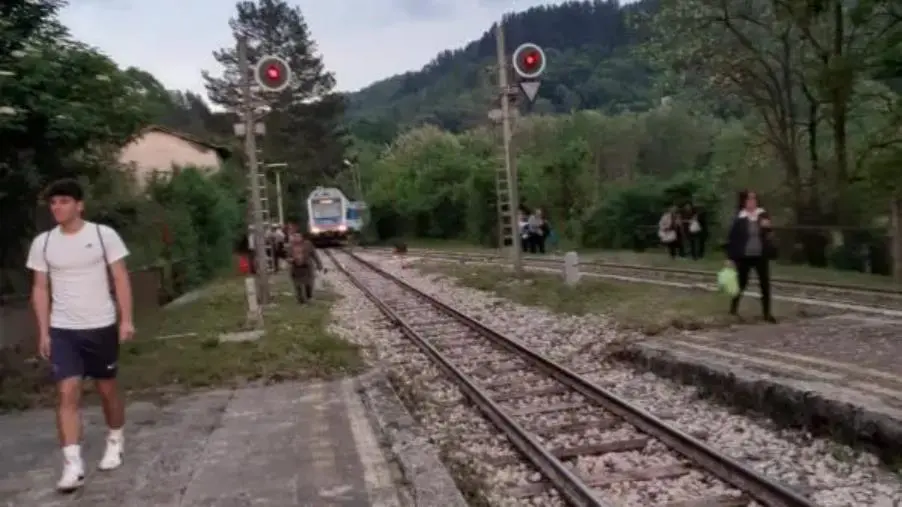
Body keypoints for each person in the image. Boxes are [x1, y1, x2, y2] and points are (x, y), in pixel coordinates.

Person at [26, 178, 134, 492]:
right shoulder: (43, 243)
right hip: (64, 329)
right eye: (53, 202)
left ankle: (115, 438)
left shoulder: (103, 235)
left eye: (64, 201)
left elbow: (120, 278)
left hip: (100, 326)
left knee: (106, 390)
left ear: (79, 205)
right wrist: (44, 330)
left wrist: (126, 319)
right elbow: (40, 287)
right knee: (67, 392)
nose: (57, 207)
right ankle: (72, 464)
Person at [725, 189, 777, 323]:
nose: (752, 201)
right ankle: (733, 310)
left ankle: (767, 313)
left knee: (765, 284)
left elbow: (769, 234)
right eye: (749, 199)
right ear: (744, 201)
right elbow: (732, 239)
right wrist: (730, 257)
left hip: (760, 255)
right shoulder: (740, 218)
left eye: (754, 199)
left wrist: (768, 227)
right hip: (744, 256)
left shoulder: (762, 214)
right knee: (741, 283)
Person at [288, 231, 324, 304]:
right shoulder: (290, 246)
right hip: (296, 268)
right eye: (295, 237)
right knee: (297, 285)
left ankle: (309, 297)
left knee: (308, 284)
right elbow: (288, 257)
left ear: (301, 238)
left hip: (307, 267)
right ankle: (300, 300)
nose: (297, 238)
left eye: (298, 237)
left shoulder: (308, 244)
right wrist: (290, 260)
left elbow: (314, 255)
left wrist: (319, 264)